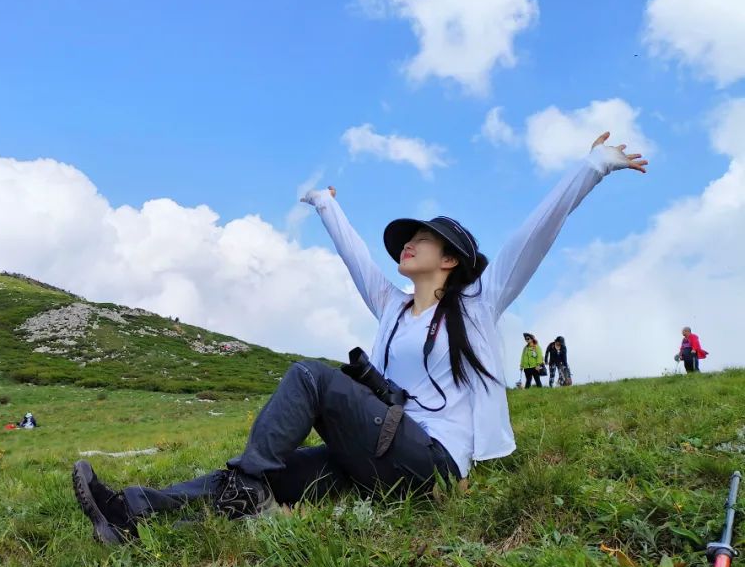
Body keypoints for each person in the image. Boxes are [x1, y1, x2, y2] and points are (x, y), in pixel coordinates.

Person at [71, 133, 647, 544]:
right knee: (278, 474)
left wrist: (592, 167)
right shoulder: (391, 309)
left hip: (431, 460)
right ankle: (132, 512)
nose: (408, 245)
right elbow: (355, 258)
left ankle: (245, 487)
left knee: (309, 376)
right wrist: (326, 206)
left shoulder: (478, 302)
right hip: (381, 452)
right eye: (406, 239)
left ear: (452, 260)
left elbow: (534, 234)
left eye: (424, 239)